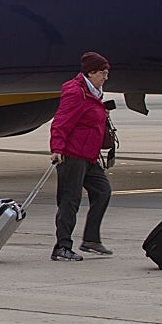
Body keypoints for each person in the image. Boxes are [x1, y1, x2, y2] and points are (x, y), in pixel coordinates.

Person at [48, 51, 114, 261]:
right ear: (91, 72)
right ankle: (62, 247)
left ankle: (91, 239)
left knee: (103, 191)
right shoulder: (76, 92)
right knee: (70, 200)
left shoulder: (94, 91)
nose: (105, 77)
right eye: (103, 73)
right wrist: (57, 148)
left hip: (88, 156)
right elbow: (61, 121)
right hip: (72, 155)